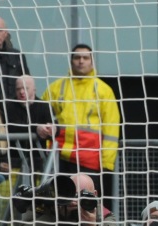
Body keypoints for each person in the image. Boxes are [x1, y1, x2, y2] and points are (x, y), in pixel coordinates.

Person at [40, 44, 120, 204]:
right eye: (77, 57)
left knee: (87, 205)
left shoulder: (104, 90)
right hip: (60, 159)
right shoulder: (56, 88)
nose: (81, 61)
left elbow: (111, 129)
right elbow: (40, 114)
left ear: (92, 61)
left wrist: (107, 164)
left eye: (85, 58)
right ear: (71, 61)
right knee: (59, 204)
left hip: (90, 160)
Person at [5, 74, 57, 173]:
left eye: (25, 88)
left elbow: (56, 127)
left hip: (39, 162)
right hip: (14, 161)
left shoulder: (45, 106)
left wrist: (52, 129)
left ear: (34, 89)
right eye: (18, 89)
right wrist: (36, 129)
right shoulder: (9, 106)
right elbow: (12, 127)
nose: (21, 92)